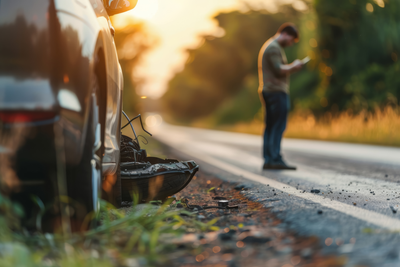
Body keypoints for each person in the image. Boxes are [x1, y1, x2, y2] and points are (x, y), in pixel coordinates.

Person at [258, 23, 303, 170]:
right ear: (285, 34)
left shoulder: (270, 45)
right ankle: (274, 159)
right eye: (291, 40)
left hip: (269, 90)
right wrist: (294, 66)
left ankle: (269, 159)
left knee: (271, 126)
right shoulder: (273, 48)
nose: (290, 44)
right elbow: (279, 69)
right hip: (275, 91)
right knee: (278, 126)